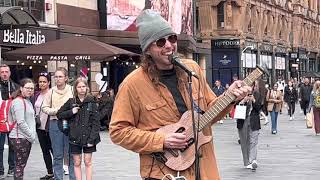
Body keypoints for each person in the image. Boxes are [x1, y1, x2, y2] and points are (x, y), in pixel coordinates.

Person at [109, 9, 251, 180]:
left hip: (203, 167)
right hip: (164, 172)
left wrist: (230, 97)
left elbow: (209, 115)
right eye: (160, 42)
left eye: (172, 38)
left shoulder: (192, 69)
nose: (169, 45)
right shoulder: (133, 84)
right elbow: (118, 131)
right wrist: (160, 140)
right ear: (147, 50)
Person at [57, 77, 100, 180]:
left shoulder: (92, 102)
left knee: (87, 161)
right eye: (79, 86)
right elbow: (59, 114)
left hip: (89, 137)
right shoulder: (71, 101)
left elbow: (96, 123)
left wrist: (92, 139)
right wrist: (72, 111)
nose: (81, 88)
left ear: (87, 88)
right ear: (75, 88)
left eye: (83, 86)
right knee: (76, 162)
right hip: (74, 137)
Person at [42, 67, 75, 180]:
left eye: (60, 76)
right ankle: (58, 178)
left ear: (66, 78)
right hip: (55, 123)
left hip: (70, 124)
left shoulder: (72, 90)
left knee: (71, 154)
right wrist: (57, 111)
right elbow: (44, 107)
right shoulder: (50, 92)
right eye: (56, 76)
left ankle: (73, 177)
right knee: (57, 155)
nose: (58, 79)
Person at [9, 78, 36, 179]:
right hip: (20, 137)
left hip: (23, 137)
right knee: (20, 165)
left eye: (32, 88)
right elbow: (20, 121)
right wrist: (31, 135)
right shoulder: (18, 102)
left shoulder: (27, 100)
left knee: (20, 164)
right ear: (21, 88)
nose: (30, 90)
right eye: (27, 88)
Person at [237, 81, 262, 171]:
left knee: (254, 141)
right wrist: (244, 100)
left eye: (253, 86)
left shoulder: (257, 94)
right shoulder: (240, 94)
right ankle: (247, 162)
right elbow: (235, 107)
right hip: (243, 120)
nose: (251, 88)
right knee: (244, 141)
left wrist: (253, 100)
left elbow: (259, 108)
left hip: (254, 120)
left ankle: (253, 160)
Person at [33, 72, 54, 180]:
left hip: (50, 127)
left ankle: (58, 171)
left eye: (44, 82)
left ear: (49, 82)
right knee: (45, 151)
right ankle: (50, 172)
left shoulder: (52, 94)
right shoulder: (36, 94)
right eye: (40, 81)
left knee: (54, 151)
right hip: (39, 127)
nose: (42, 84)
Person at [0, 64, 17, 179]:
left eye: (6, 71)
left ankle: (12, 168)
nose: (5, 74)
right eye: (2, 72)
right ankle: (0, 170)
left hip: (12, 121)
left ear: (10, 73)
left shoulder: (16, 87)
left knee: (13, 146)